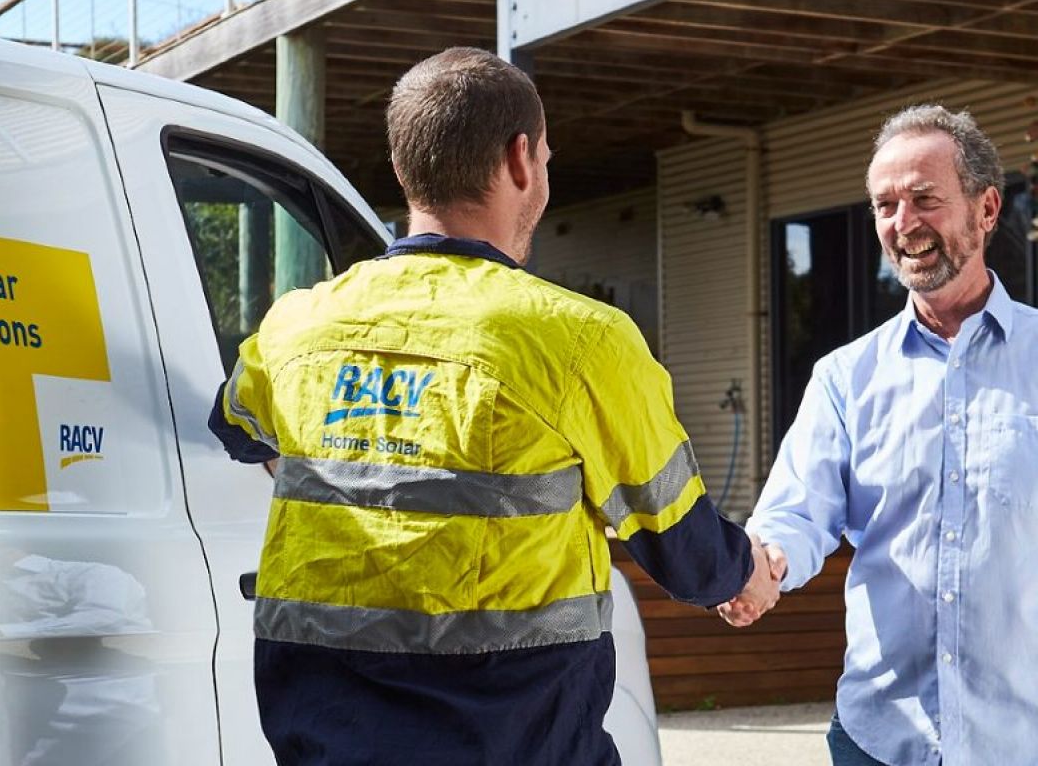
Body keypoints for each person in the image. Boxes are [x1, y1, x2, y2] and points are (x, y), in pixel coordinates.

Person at [210, 46, 779, 766]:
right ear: (520, 161)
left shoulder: (294, 324)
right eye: (544, 155)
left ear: (402, 167)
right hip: (517, 741)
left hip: (324, 741)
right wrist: (745, 576)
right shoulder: (580, 341)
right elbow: (679, 543)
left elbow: (238, 430)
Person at [731, 104, 1038, 765]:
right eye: (884, 205)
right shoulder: (844, 377)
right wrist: (764, 566)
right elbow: (794, 512)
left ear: (986, 210)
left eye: (923, 199)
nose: (902, 225)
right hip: (879, 743)